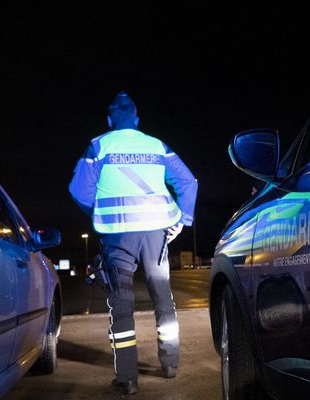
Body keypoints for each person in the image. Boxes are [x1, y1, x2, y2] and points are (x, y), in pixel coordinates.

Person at [69, 91, 198, 395]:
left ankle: (128, 378)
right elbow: (189, 182)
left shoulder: (99, 145)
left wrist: (101, 213)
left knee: (122, 303)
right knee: (163, 297)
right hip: (157, 233)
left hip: (118, 235)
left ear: (110, 119)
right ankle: (170, 364)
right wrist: (183, 220)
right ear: (137, 120)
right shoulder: (157, 145)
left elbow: (79, 191)